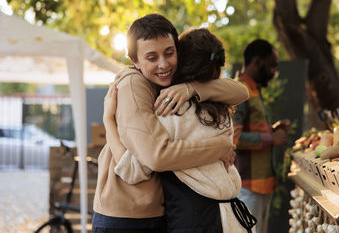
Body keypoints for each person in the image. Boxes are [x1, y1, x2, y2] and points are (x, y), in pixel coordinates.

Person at [92, 14, 249, 233]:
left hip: (156, 212)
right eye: (152, 57)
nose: (163, 64)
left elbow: (241, 91)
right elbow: (155, 157)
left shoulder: (173, 89)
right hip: (127, 214)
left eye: (169, 53)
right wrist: (220, 147)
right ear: (134, 61)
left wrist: (192, 88)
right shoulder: (133, 86)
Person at [233, 39, 290, 233]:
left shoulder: (254, 89)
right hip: (248, 186)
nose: (274, 71)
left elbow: (252, 129)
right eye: (272, 65)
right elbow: (234, 139)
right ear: (257, 62)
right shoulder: (240, 91)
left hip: (263, 185)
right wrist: (271, 139)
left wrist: (273, 129)